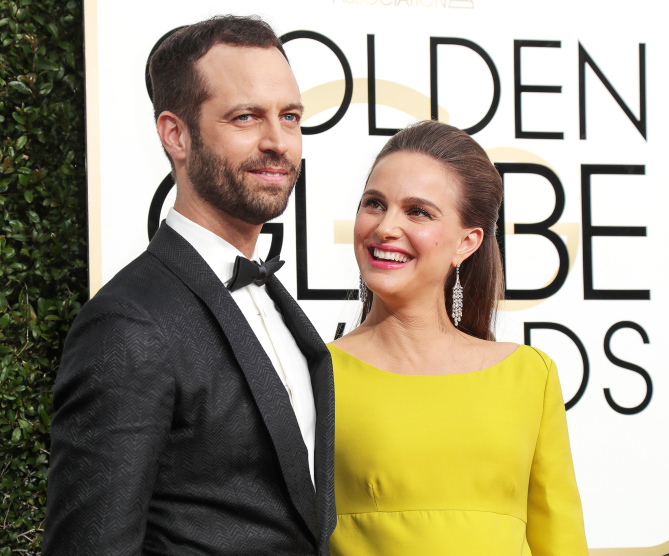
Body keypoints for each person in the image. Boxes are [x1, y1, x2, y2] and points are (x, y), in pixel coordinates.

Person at [43, 16, 335, 555]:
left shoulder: (272, 300)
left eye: (289, 116)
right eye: (246, 117)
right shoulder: (130, 323)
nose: (278, 141)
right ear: (175, 134)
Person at [329, 121, 588, 555]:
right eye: (374, 204)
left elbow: (560, 542)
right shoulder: (315, 374)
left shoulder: (528, 376)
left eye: (418, 212)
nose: (386, 227)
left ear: (466, 243)